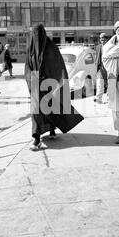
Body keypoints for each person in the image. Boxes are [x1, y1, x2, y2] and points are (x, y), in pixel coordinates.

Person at [25, 23, 84, 151]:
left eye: (39, 34)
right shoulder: (30, 49)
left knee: (52, 108)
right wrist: (31, 80)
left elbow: (58, 66)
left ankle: (52, 129)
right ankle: (36, 137)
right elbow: (27, 67)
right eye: (34, 34)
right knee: (36, 110)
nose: (37, 37)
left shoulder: (51, 47)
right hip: (35, 83)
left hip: (50, 83)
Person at [94, 33, 108, 103]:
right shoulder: (97, 47)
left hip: (109, 68)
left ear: (106, 39)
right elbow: (96, 58)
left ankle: (110, 99)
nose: (102, 39)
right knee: (99, 84)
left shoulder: (111, 46)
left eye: (104, 38)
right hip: (100, 68)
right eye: (101, 38)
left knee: (110, 84)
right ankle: (98, 99)